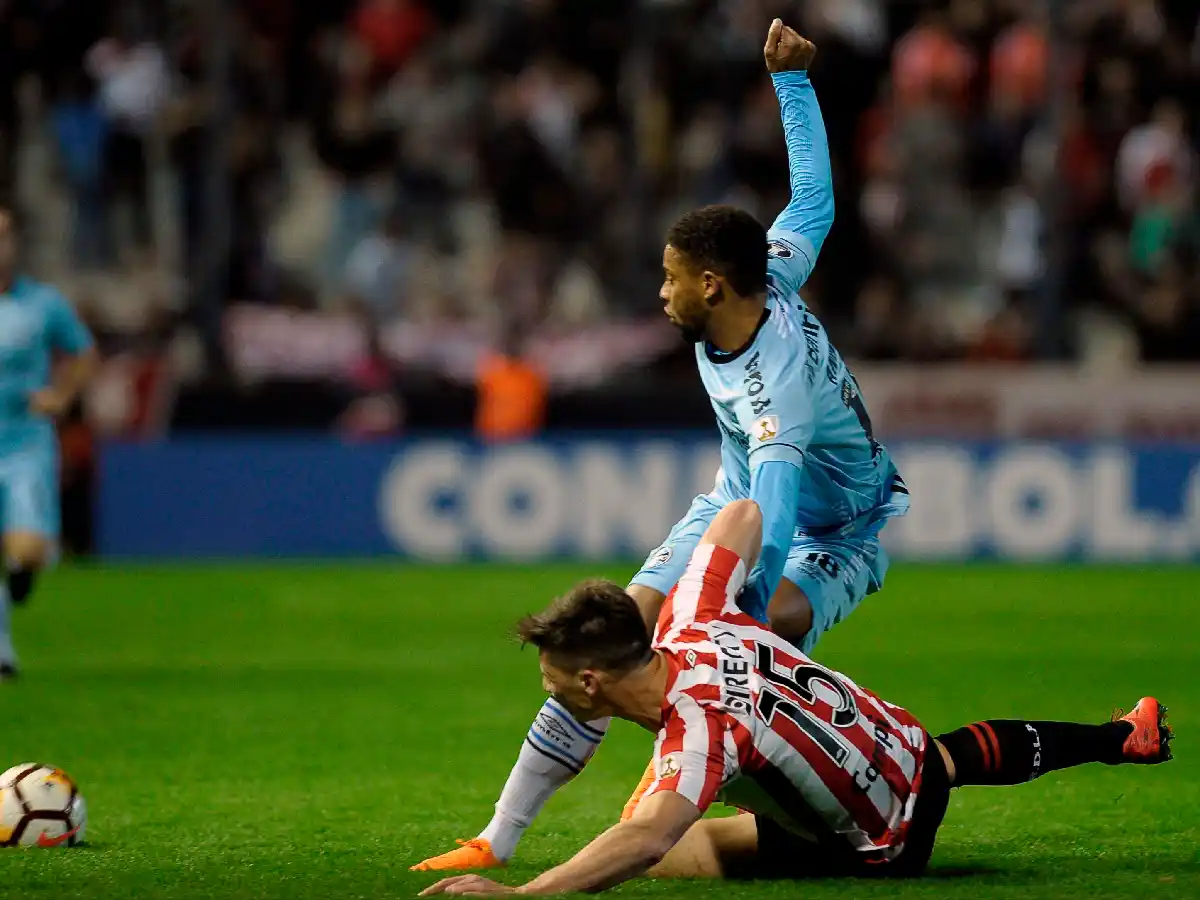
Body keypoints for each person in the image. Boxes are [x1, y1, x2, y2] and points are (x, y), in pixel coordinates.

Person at [413, 19, 909, 871]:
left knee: (767, 628)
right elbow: (817, 205)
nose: (661, 289)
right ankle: (497, 837)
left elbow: (778, 517)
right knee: (613, 633)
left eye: (672, 275)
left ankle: (734, 771)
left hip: (837, 532)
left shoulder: (773, 392)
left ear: (711, 286)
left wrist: (731, 633)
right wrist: (792, 82)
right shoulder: (768, 272)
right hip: (731, 496)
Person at [419, 499, 1173, 894]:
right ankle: (1121, 739)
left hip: (881, 846)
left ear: (591, 681)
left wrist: (528, 896)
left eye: (552, 676)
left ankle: (813, 820)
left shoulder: (699, 733)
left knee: (659, 851)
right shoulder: (694, 613)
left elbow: (645, 837)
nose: (546, 687)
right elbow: (743, 514)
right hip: (905, 749)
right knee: (930, 758)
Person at [0, 202, 98, 681]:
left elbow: (82, 352)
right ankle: (2, 653)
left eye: (3, 235)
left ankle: (23, 573)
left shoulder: (42, 304)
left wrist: (61, 395)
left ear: (15, 243)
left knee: (26, 551)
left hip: (25, 444)